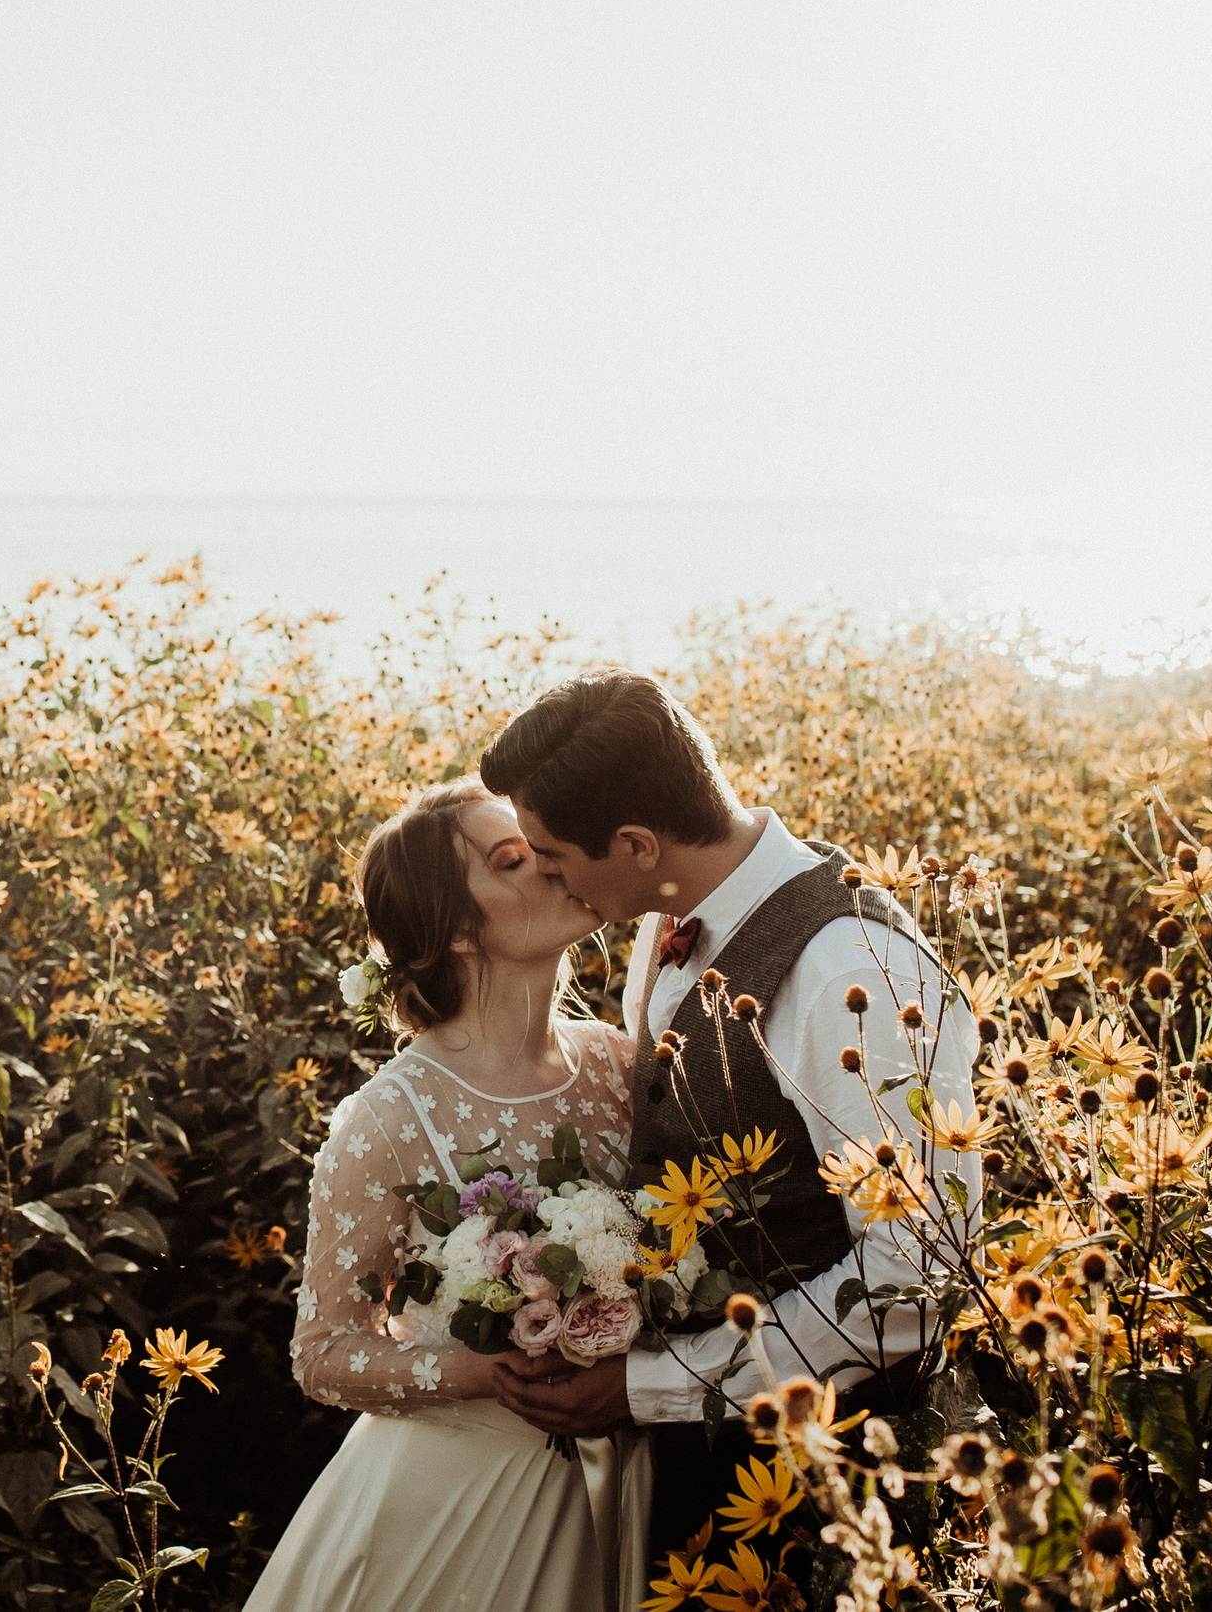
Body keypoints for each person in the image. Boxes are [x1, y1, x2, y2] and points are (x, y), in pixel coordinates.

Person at [477, 670, 980, 1590]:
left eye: (551, 855)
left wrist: (649, 1387)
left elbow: (912, 1281)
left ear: (634, 842)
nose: (544, 873)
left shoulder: (847, 974)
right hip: (705, 1451)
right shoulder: (667, 907)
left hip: (832, 1481)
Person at [245, 779, 638, 1612]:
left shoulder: (619, 1065)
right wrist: (484, 1367)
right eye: (511, 858)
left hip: (623, 1485)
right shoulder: (389, 1118)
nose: (550, 860)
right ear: (458, 927)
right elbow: (321, 1351)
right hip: (451, 1510)